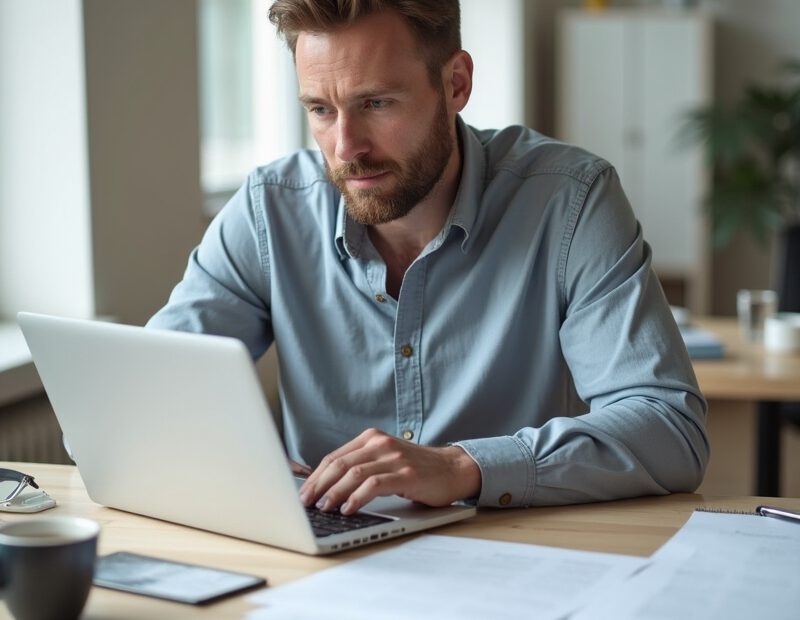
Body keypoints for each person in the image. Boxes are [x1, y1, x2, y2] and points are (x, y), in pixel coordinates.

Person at [147, 0, 709, 515]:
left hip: (512, 559)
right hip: (319, 564)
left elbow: (670, 430)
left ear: (456, 83)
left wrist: (462, 467)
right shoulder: (269, 210)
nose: (346, 148)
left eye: (376, 103)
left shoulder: (570, 200)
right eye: (320, 109)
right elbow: (138, 402)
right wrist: (248, 465)